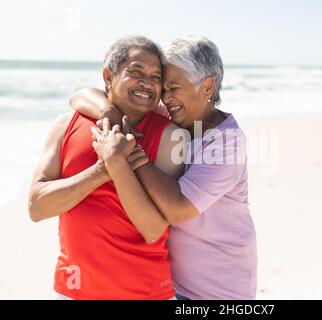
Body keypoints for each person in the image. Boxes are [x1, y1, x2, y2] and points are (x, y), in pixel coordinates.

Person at [71, 35, 257, 300]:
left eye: (173, 87)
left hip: (217, 291)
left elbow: (178, 209)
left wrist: (128, 150)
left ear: (206, 87)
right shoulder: (174, 116)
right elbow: (80, 95)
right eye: (164, 87)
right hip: (171, 287)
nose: (165, 97)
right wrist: (108, 112)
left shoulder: (226, 143)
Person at [28, 35, 184, 299]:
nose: (147, 83)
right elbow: (37, 207)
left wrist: (117, 161)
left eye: (156, 76)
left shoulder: (172, 136)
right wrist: (102, 170)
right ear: (108, 76)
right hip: (74, 291)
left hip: (145, 293)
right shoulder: (65, 125)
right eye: (136, 72)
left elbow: (153, 229)